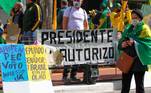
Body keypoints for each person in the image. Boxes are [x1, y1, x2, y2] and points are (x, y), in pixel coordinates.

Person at [118, 9, 150, 93]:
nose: (133, 20)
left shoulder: (145, 29)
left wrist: (134, 42)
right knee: (125, 86)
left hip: (139, 61)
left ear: (140, 19)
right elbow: (121, 40)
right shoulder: (129, 28)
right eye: (132, 18)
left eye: (135, 18)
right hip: (127, 60)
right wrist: (122, 44)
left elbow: (148, 44)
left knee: (139, 87)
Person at [62, 0, 89, 83]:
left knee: (77, 57)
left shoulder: (83, 12)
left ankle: (73, 75)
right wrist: (66, 36)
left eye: (79, 0)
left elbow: (86, 25)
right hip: (70, 38)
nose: (77, 1)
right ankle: (65, 76)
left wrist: (87, 35)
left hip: (80, 39)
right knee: (69, 57)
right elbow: (64, 23)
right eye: (75, 0)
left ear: (82, 1)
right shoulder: (68, 10)